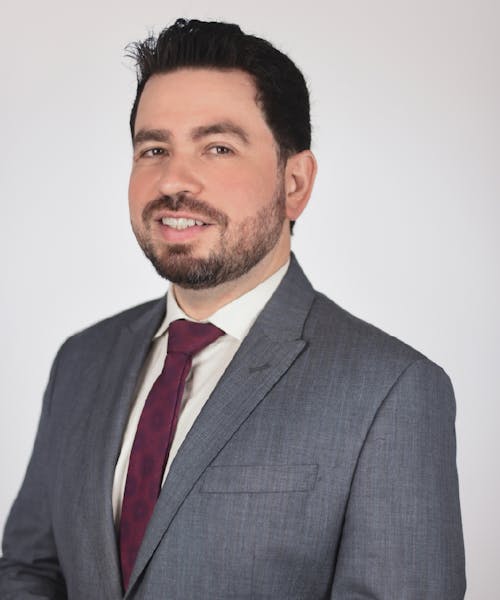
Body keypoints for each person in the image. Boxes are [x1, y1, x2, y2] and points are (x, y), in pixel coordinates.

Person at [0, 18, 466, 599]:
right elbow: (29, 571)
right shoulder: (81, 360)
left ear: (294, 183)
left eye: (218, 148)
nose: (173, 180)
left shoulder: (391, 391)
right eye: (154, 149)